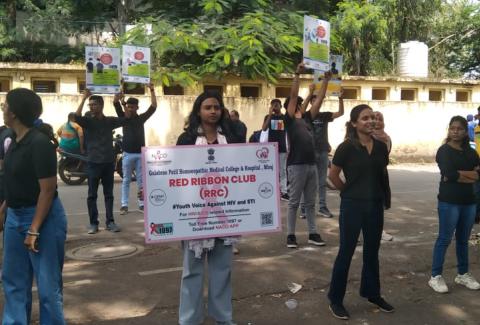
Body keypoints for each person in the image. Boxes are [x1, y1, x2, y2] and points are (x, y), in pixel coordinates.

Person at [0, 88, 67, 324]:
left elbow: (47, 191)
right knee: (13, 282)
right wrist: (4, 210)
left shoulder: (39, 143)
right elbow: (16, 181)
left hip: (42, 217)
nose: (3, 108)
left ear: (15, 112)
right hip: (15, 217)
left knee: (48, 289)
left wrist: (34, 228)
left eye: (6, 104)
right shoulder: (13, 140)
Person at [176, 90, 237, 325]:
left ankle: (223, 318)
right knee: (192, 270)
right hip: (194, 214)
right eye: (208, 107)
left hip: (225, 212)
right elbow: (176, 174)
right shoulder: (187, 139)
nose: (213, 111)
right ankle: (189, 320)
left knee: (222, 270)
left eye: (217, 107)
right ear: (198, 111)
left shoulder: (231, 138)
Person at [327, 104, 393, 320]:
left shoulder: (381, 147)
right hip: (352, 206)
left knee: (372, 252)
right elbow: (333, 175)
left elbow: (381, 173)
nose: (370, 121)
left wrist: (384, 198)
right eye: (365, 118)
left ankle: (372, 293)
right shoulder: (346, 147)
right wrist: (347, 191)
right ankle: (335, 300)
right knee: (346, 252)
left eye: (372, 117)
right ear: (354, 123)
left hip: (374, 205)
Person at [428, 116, 480, 293]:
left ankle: (463, 274)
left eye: (459, 128)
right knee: (444, 239)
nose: (455, 131)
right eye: (452, 128)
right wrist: (469, 176)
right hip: (449, 201)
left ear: (466, 131)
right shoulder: (443, 151)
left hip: (469, 202)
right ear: (448, 130)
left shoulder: (471, 152)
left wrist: (460, 176)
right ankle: (435, 276)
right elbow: (448, 173)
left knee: (463, 240)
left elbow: (477, 174)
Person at [284, 62, 329, 249]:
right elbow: (294, 96)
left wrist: (326, 80)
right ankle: (291, 235)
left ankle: (313, 233)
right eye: (296, 104)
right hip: (297, 165)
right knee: (294, 202)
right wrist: (297, 74)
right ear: (291, 108)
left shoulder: (308, 118)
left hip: (311, 165)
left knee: (310, 203)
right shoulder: (289, 121)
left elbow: (320, 99)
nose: (299, 105)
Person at [74, 89, 129, 234]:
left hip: (107, 163)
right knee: (92, 195)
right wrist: (83, 98)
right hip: (93, 163)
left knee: (108, 195)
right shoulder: (88, 121)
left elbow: (125, 119)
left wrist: (121, 102)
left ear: (101, 106)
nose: (91, 107)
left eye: (94, 105)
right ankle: (93, 223)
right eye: (90, 105)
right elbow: (76, 116)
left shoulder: (109, 121)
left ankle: (110, 222)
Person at [300, 83, 344, 218]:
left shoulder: (324, 116)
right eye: (313, 101)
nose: (316, 103)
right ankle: (303, 208)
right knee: (307, 181)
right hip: (309, 152)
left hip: (323, 151)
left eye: (317, 100)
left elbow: (341, 113)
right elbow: (300, 110)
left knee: (322, 182)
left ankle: (322, 207)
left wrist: (341, 98)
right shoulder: (305, 115)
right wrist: (310, 93)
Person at [114, 83, 157, 214]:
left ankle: (142, 204)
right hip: (127, 154)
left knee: (141, 181)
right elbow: (115, 102)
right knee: (126, 180)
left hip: (140, 154)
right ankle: (124, 205)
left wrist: (152, 89)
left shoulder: (141, 118)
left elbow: (154, 106)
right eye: (129, 107)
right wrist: (119, 89)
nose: (131, 109)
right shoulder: (123, 117)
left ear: (137, 107)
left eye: (133, 107)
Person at [372, 111, 394, 242]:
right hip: (366, 175)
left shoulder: (387, 138)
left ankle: (379, 231)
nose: (377, 121)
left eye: (380, 119)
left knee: (379, 203)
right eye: (375, 119)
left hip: (381, 175)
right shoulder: (365, 137)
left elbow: (385, 156)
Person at [262, 99, 289, 200]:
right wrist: (269, 114)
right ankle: (272, 190)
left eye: (277, 104)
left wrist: (288, 146)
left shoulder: (284, 118)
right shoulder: (268, 117)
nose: (275, 106)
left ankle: (284, 192)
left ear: (281, 106)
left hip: (282, 147)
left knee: (282, 170)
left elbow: (289, 132)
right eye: (273, 105)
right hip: (271, 148)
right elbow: (264, 128)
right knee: (271, 170)